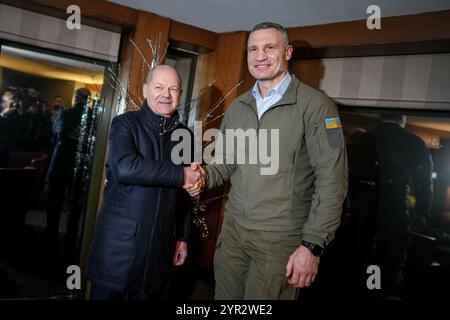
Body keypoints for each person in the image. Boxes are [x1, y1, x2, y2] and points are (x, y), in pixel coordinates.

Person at [185, 22, 348, 300]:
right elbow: (225, 163)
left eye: (269, 47)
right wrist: (202, 176)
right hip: (234, 234)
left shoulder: (318, 106)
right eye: (253, 49)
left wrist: (312, 246)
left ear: (287, 52)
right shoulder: (238, 107)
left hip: (279, 241)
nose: (260, 56)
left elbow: (333, 180)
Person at [86, 65, 199, 300]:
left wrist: (183, 237)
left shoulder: (184, 136)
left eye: (173, 89)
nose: (165, 94)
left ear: (180, 94)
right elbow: (125, 167)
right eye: (159, 87)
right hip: (118, 247)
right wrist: (182, 175)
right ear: (146, 90)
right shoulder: (124, 124)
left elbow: (184, 198)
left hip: (159, 249)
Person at [348, 114, 433, 297]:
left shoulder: (363, 139)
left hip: (364, 201)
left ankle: (365, 289)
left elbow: (347, 174)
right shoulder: (414, 142)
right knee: (389, 254)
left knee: (363, 251)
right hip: (395, 201)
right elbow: (424, 181)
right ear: (402, 118)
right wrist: (422, 212)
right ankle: (378, 290)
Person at [45, 88, 91, 258]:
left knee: (55, 204)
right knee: (75, 207)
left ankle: (50, 238)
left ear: (75, 98)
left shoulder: (65, 114)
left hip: (61, 163)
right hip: (79, 167)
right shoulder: (92, 117)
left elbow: (58, 134)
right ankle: (70, 243)